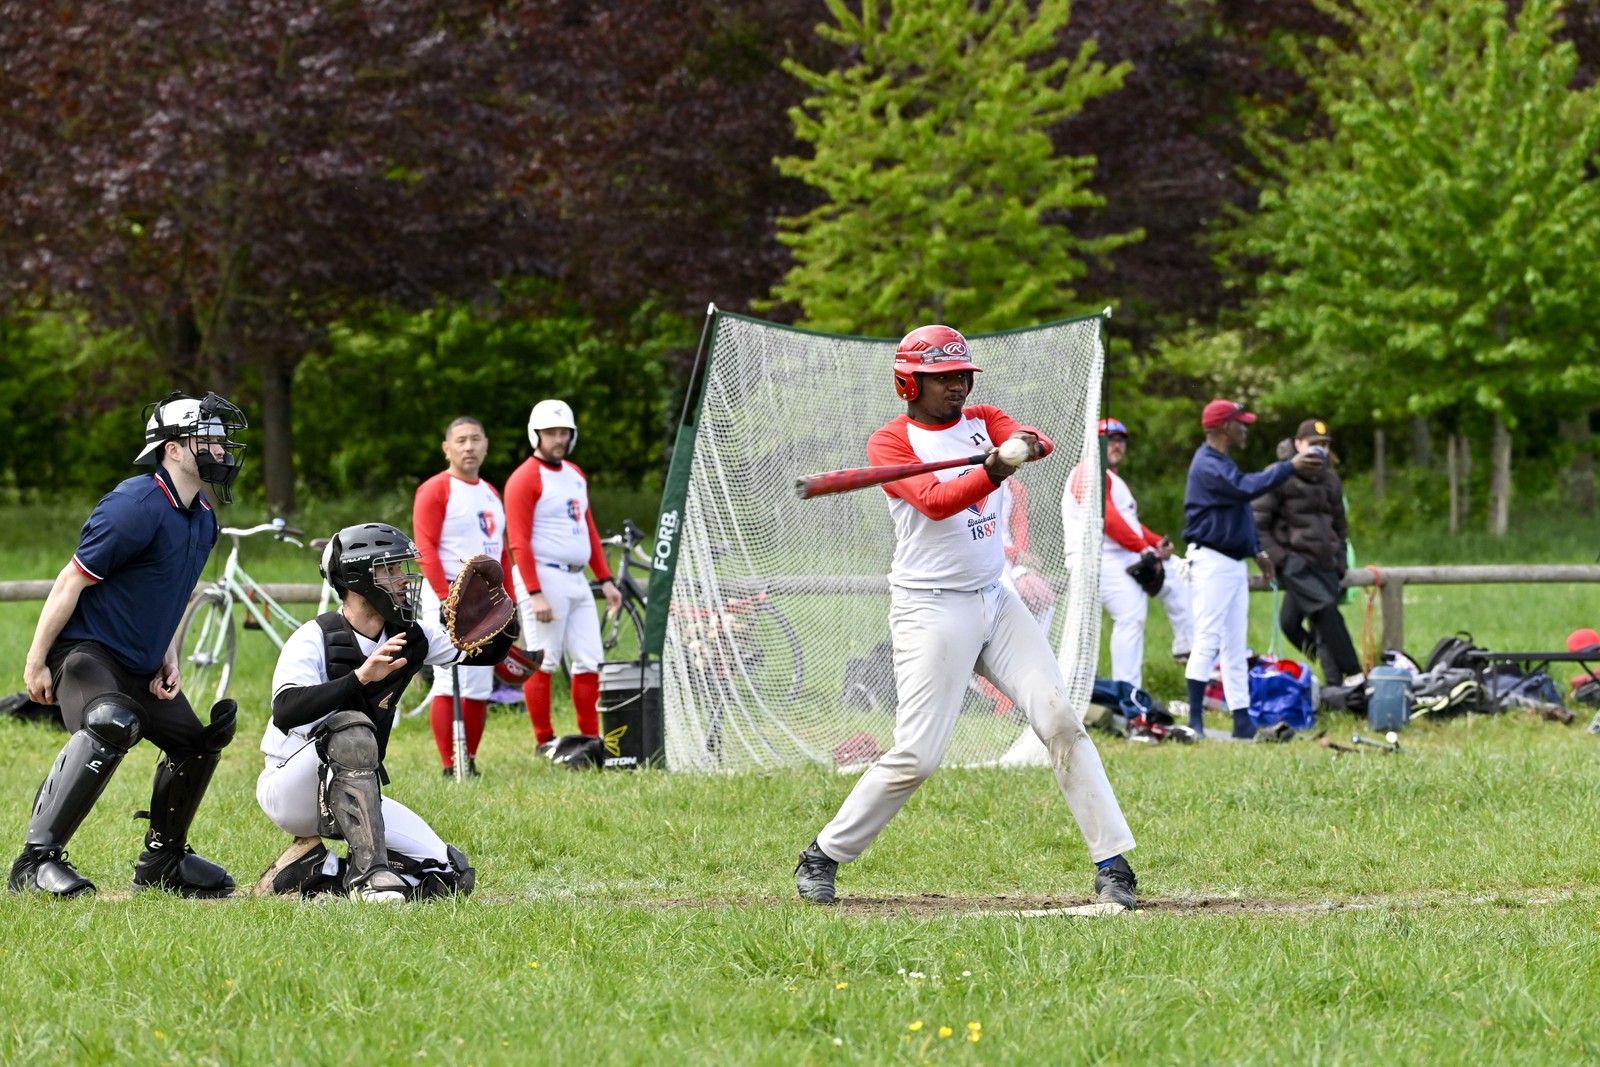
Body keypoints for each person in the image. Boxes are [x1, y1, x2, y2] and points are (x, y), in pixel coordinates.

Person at [794, 325, 1139, 910]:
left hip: (995, 598)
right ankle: (822, 854)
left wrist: (1016, 446)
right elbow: (936, 502)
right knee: (918, 755)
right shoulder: (891, 443)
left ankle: (1113, 865)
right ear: (909, 383)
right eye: (941, 378)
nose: (956, 386)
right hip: (931, 607)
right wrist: (993, 471)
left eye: (961, 375)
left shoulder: (983, 418)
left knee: (1061, 720)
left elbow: (1038, 440)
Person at [9, 391, 247, 898]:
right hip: (84, 653)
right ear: (173, 449)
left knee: (200, 742)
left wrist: (168, 655)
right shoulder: (133, 505)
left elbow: (172, 594)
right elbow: (71, 581)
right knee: (111, 722)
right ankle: (34, 865)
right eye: (209, 440)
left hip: (141, 664)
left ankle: (163, 861)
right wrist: (35, 662)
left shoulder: (204, 516)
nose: (221, 450)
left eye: (222, 441)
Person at [254, 523, 515, 901]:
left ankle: (315, 869)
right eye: (390, 569)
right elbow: (286, 710)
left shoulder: (411, 634)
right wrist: (359, 678)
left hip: (354, 790)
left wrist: (502, 611)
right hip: (292, 787)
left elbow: (485, 653)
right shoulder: (314, 637)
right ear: (358, 578)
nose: (404, 579)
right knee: (351, 729)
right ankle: (369, 877)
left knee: (449, 875)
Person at [1181, 399, 1322, 739]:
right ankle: (1195, 721)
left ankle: (1242, 720)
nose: (1245, 429)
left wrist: (1257, 551)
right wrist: (1290, 466)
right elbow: (1246, 488)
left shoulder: (1222, 462)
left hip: (1230, 563)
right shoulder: (1207, 464)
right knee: (1207, 640)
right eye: (1240, 423)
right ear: (1224, 427)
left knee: (1235, 645)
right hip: (1211, 562)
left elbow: (1241, 510)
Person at [504, 400, 622, 745]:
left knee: (589, 660)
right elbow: (519, 541)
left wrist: (605, 579)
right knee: (545, 660)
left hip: (576, 578)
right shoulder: (524, 478)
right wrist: (534, 592)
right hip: (544, 576)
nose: (558, 439)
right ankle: (545, 741)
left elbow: (588, 530)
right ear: (536, 435)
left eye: (564, 432)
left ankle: (590, 738)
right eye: (551, 433)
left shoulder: (575, 474)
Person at [413, 416, 514, 777]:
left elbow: (501, 551)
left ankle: (469, 759)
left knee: (480, 680)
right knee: (449, 676)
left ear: (486, 445)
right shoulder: (436, 489)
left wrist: (508, 599)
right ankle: (449, 764)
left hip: (486, 597)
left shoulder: (490, 492)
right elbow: (424, 547)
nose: (469, 446)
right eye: (461, 440)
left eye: (475, 439)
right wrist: (446, 598)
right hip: (449, 592)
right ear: (447, 448)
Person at [1063, 417, 1194, 689]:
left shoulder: (1112, 478)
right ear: (1096, 443)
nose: (1117, 445)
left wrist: (1155, 542)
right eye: (1110, 439)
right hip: (1096, 559)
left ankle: (1189, 648)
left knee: (1180, 574)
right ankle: (1125, 692)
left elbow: (1129, 523)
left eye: (1121, 440)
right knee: (1128, 619)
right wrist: (1142, 548)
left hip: (1119, 556)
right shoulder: (1088, 470)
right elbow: (1108, 518)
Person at [1252, 418, 1363, 687]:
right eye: (1314, 444)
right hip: (1296, 562)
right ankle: (1354, 674)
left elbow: (1340, 525)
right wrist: (1281, 560)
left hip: (1326, 562)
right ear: (1298, 444)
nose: (1319, 449)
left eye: (1324, 444)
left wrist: (1339, 560)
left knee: (1294, 623)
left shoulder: (1330, 479)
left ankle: (1336, 689)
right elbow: (1258, 523)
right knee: (1323, 613)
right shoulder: (1278, 475)